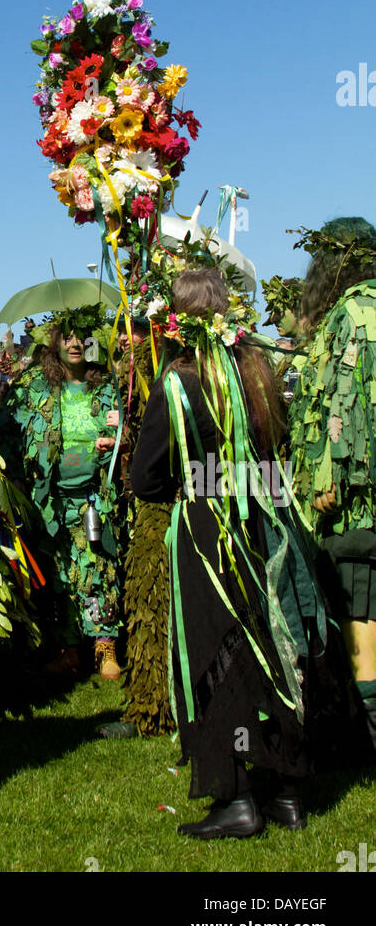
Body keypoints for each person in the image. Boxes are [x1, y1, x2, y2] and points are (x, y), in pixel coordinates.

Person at [130, 269, 333, 839]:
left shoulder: (179, 383)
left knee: (217, 658)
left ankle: (236, 797)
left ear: (174, 320)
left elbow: (146, 478)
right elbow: (277, 447)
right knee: (272, 643)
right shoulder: (258, 371)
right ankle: (287, 792)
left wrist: (192, 478)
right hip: (268, 524)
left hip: (208, 533)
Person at [289, 217, 376, 748]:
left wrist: (331, 475)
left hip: (357, 500)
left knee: (357, 601)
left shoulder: (353, 313)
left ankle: (364, 728)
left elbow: (347, 401)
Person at [0, 311, 122, 677]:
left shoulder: (107, 388)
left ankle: (105, 646)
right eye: (66, 336)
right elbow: (4, 430)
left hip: (94, 497)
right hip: (49, 502)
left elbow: (131, 432)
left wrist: (116, 443)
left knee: (98, 568)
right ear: (54, 344)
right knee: (60, 575)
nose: (75, 343)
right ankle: (67, 649)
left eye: (82, 337)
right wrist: (14, 479)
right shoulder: (34, 386)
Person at [100, 315, 177, 738]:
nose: (128, 337)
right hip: (164, 500)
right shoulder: (136, 375)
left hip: (166, 502)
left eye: (139, 329)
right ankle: (158, 706)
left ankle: (154, 711)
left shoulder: (168, 372)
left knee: (150, 600)